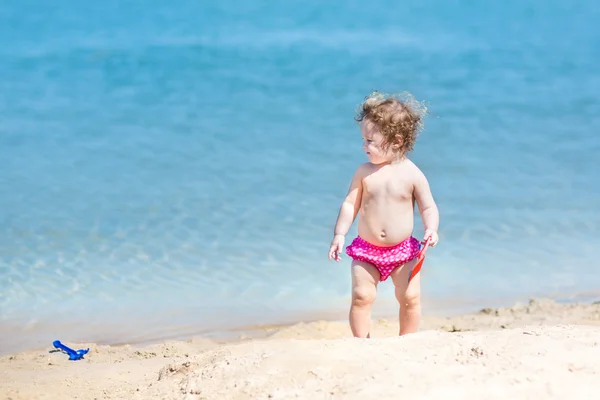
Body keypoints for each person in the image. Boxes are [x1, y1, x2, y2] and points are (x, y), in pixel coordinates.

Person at [328, 91, 439, 338]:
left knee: (410, 297)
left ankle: (407, 340)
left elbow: (428, 206)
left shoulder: (412, 174)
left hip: (402, 251)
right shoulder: (364, 172)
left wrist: (431, 228)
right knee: (361, 296)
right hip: (367, 251)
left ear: (397, 141)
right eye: (363, 139)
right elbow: (350, 204)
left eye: (370, 141)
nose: (363, 146)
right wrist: (339, 234)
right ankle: (361, 342)